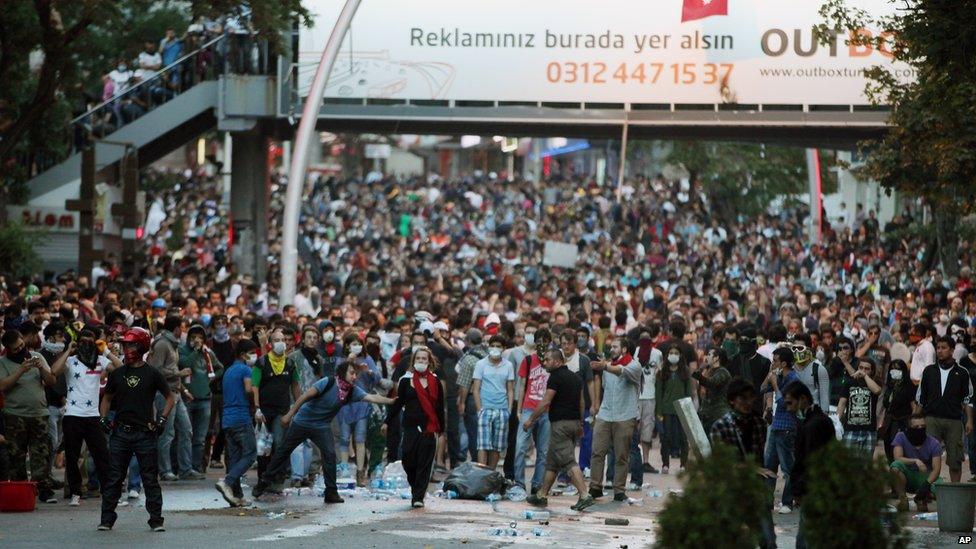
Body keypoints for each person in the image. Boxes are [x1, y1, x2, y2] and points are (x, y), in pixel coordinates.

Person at [252, 361, 394, 504]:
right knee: (284, 451)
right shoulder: (328, 382)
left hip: (321, 426)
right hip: (302, 421)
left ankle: (331, 492)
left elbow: (372, 397)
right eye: (351, 373)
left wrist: (391, 401)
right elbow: (304, 397)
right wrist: (289, 415)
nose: (354, 376)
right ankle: (263, 483)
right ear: (342, 373)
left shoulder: (351, 391)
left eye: (356, 374)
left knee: (330, 455)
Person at [99, 328, 175, 532]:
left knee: (150, 478)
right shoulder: (118, 373)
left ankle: (156, 520)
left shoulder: (152, 373)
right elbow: (106, 398)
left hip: (145, 433)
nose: (126, 348)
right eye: (125, 345)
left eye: (130, 344)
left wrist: (162, 419)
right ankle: (106, 520)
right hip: (121, 432)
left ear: (141, 346)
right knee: (115, 477)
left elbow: (170, 398)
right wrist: (103, 418)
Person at [524, 348, 596, 512]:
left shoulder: (555, 377)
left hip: (560, 426)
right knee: (553, 462)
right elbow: (582, 403)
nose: (545, 362)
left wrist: (530, 420)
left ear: (557, 361)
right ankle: (542, 495)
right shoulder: (575, 378)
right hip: (573, 424)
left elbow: (545, 402)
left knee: (568, 461)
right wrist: (581, 424)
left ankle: (585, 495)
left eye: (548, 359)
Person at [710, 378, 777, 549]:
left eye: (750, 398)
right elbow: (723, 464)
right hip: (731, 490)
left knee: (768, 541)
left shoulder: (759, 424)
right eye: (742, 398)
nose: (747, 403)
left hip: (756, 490)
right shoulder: (721, 426)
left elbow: (759, 456)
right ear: (732, 400)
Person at [58, 330, 122, 506]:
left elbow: (121, 369)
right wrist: (67, 351)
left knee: (102, 455)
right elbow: (54, 371)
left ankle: (111, 492)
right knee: (73, 456)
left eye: (90, 341)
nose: (86, 344)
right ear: (77, 343)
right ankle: (75, 492)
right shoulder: (71, 361)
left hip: (92, 416)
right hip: (72, 415)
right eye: (82, 341)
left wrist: (106, 351)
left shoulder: (100, 361)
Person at [0, 329, 59, 503]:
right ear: (8, 349)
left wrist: (41, 368)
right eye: (16, 349)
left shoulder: (37, 356)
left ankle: (43, 488)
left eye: (21, 345)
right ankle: (20, 489)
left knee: (40, 452)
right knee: (16, 454)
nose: (20, 350)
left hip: (39, 414)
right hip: (15, 415)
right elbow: (2, 386)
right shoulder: (3, 362)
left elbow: (51, 381)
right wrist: (21, 370)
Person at [384, 346, 445, 508]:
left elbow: (440, 406)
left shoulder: (435, 381)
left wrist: (442, 429)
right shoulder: (405, 380)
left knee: (424, 463)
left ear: (429, 362)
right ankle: (415, 487)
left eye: (424, 359)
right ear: (413, 361)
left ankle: (418, 496)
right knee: (408, 460)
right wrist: (387, 421)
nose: (421, 361)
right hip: (410, 427)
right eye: (418, 359)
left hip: (429, 428)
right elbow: (399, 403)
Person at [588, 335, 642, 501]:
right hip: (605, 414)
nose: (611, 349)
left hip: (625, 416)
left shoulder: (634, 365)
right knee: (597, 452)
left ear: (624, 349)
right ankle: (595, 487)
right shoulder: (607, 366)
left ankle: (619, 490)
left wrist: (604, 366)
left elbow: (621, 371)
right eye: (611, 347)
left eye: (615, 347)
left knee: (621, 455)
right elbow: (605, 385)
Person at [783, 381, 836, 549]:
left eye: (791, 403)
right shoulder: (812, 421)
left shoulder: (815, 424)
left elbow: (811, 461)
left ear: (803, 399)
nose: (789, 408)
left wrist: (799, 489)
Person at [916, 335, 974, 483]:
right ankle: (925, 495)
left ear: (952, 350)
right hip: (931, 419)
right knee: (928, 457)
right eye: (938, 348)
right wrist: (914, 419)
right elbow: (920, 398)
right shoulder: (928, 371)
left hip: (954, 420)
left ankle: (955, 494)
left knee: (955, 459)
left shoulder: (962, 372)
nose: (940, 351)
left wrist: (969, 421)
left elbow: (968, 399)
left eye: (944, 348)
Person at [252, 327, 300, 488]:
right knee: (263, 447)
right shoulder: (262, 362)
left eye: (283, 340)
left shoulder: (291, 363)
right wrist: (257, 408)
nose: (281, 343)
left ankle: (277, 478)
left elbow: (295, 387)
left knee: (279, 444)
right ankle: (262, 478)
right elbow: (255, 386)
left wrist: (298, 408)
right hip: (264, 411)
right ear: (270, 344)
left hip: (282, 411)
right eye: (277, 340)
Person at [148, 315, 194, 481]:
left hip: (176, 392)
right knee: (167, 433)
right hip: (165, 394)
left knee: (186, 429)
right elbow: (156, 370)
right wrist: (178, 373)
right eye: (181, 327)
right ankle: (165, 470)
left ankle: (185, 468)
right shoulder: (162, 344)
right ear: (176, 328)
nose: (183, 331)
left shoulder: (173, 344)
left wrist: (183, 389)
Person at [215, 340, 259, 507]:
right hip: (241, 417)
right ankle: (227, 482)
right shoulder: (245, 369)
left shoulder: (228, 371)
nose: (254, 355)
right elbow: (248, 389)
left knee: (234, 458)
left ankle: (236, 495)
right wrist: (256, 396)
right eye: (252, 352)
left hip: (227, 419)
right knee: (250, 454)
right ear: (243, 354)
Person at [180, 323, 223, 474]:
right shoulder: (183, 350)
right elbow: (184, 364)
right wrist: (195, 352)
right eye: (193, 337)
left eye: (200, 337)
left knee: (200, 437)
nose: (197, 340)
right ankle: (184, 467)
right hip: (188, 398)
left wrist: (210, 378)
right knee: (186, 434)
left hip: (205, 399)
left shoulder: (208, 353)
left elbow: (220, 368)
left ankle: (196, 466)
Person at [513, 327, 551, 494]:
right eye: (539, 340)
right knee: (520, 447)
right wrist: (519, 408)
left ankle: (537, 484)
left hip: (548, 411)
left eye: (545, 340)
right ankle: (519, 483)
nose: (542, 344)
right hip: (528, 408)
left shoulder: (554, 361)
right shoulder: (528, 361)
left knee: (543, 451)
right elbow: (521, 386)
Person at [762, 346, 799, 514]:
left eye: (775, 360)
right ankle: (766, 501)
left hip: (787, 428)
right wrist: (769, 377)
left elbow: (786, 402)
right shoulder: (778, 376)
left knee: (788, 468)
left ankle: (787, 501)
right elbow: (763, 389)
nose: (773, 363)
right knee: (769, 466)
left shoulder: (792, 378)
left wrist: (775, 384)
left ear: (783, 363)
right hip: (776, 426)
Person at [471, 335, 515, 470]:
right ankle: (481, 475)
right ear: (489, 347)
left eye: (498, 346)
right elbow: (476, 389)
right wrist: (480, 410)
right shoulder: (481, 364)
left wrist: (508, 410)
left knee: (497, 446)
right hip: (485, 409)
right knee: (483, 445)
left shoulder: (508, 365)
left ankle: (490, 474)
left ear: (504, 349)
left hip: (502, 410)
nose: (495, 349)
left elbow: (510, 390)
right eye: (493, 346)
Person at [890, 413, 942, 512]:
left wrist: (927, 484)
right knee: (895, 467)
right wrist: (915, 460)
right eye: (916, 427)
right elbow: (897, 458)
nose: (920, 429)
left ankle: (923, 498)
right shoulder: (900, 437)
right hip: (908, 475)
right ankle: (903, 498)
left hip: (925, 477)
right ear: (909, 427)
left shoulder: (934, 443)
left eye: (922, 426)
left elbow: (937, 469)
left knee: (941, 488)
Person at [655, 346, 692, 473]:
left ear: (680, 355)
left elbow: (689, 392)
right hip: (666, 409)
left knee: (683, 437)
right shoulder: (662, 372)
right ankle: (665, 464)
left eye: (676, 353)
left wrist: (689, 410)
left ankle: (684, 464)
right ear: (667, 355)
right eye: (671, 353)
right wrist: (658, 411)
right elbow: (658, 393)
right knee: (666, 437)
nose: (673, 355)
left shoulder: (685, 371)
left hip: (682, 408)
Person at [837, 357, 882, 458]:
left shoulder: (874, 383)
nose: (863, 371)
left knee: (865, 466)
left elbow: (877, 390)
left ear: (872, 371)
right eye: (861, 368)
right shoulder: (849, 382)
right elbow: (842, 403)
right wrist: (837, 421)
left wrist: (865, 376)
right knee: (849, 464)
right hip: (851, 429)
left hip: (869, 430)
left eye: (867, 369)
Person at [456, 328, 488, 461]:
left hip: (472, 400)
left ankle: (476, 461)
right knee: (485, 433)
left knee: (473, 433)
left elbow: (464, 384)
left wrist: (462, 403)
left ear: (468, 341)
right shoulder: (489, 355)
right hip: (488, 397)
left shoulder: (468, 359)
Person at [880, 359, 915, 462]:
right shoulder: (889, 387)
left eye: (898, 369)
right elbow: (885, 406)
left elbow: (914, 407)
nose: (895, 371)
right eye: (893, 369)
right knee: (888, 447)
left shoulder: (909, 386)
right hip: (889, 422)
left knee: (899, 449)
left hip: (902, 422)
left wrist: (912, 423)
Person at [692, 347, 732, 431]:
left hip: (718, 414)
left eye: (709, 354)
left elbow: (711, 383)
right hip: (709, 414)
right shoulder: (710, 371)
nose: (707, 357)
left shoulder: (722, 372)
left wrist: (701, 378)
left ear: (716, 358)